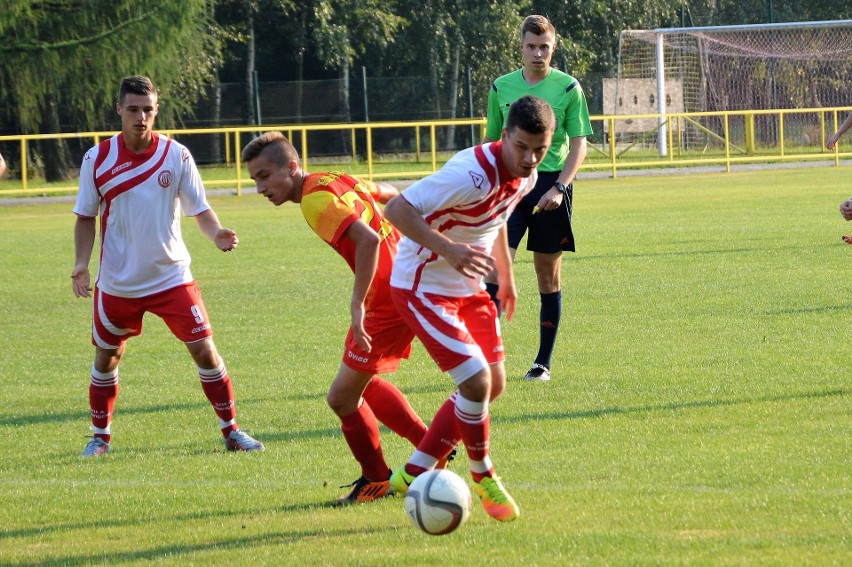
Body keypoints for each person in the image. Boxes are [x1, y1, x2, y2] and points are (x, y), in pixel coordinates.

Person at [72, 76, 264, 457]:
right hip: (118, 283)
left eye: (147, 110)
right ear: (119, 110)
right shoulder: (97, 159)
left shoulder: (177, 156)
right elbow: (84, 217)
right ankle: (100, 438)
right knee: (107, 357)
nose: (141, 117)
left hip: (171, 277)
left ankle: (232, 432)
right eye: (133, 110)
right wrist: (80, 264)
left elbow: (200, 210)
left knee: (205, 350)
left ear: (156, 110)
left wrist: (217, 233)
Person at [241, 132, 436, 505]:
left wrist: (357, 303)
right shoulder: (334, 179)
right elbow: (391, 192)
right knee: (362, 383)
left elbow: (368, 241)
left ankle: (381, 477)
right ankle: (428, 447)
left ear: (292, 167)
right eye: (255, 179)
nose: (260, 187)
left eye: (265, 176)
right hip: (404, 285)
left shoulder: (314, 200)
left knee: (342, 399)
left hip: (386, 300)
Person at [386, 95, 556, 522]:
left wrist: (508, 278)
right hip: (422, 286)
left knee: (491, 385)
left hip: (470, 286)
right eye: (521, 147)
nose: (530, 158)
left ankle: (414, 471)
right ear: (503, 137)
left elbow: (496, 221)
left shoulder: (528, 176)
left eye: (539, 149)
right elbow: (396, 208)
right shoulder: (469, 175)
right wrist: (448, 249)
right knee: (476, 383)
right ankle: (483, 475)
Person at [482, 14, 593, 382]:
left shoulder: (568, 88)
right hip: (511, 186)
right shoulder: (501, 87)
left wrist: (560, 187)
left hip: (551, 186)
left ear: (553, 47)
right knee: (497, 269)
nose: (537, 53)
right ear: (521, 47)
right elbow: (492, 143)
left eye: (544, 46)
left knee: (547, 275)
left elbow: (580, 144)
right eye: (531, 46)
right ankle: (486, 357)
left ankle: (542, 363)